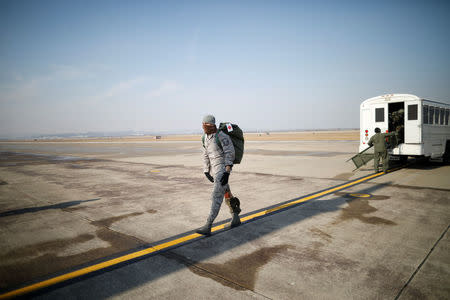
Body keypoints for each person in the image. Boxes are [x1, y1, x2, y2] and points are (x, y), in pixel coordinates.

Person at [196, 115, 241, 236]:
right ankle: (235, 217)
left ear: (210, 125)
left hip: (222, 170)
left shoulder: (222, 136)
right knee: (227, 193)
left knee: (216, 196)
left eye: (205, 125)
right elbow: (205, 154)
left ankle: (208, 225)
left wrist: (227, 172)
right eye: (202, 124)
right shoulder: (205, 138)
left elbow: (229, 154)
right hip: (215, 171)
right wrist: (206, 171)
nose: (203, 127)